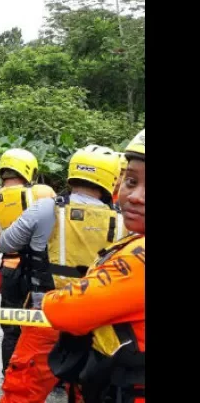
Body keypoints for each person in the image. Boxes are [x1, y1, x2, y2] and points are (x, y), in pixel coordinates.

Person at [0, 145, 123, 403]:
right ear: (111, 179)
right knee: (86, 390)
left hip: (46, 315)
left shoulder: (44, 208)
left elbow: (5, 245)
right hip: (96, 320)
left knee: (22, 390)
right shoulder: (124, 221)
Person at [43, 130, 145, 403]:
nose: (136, 196)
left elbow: (64, 310)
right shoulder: (125, 229)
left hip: (122, 385)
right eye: (131, 181)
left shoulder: (46, 207)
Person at [0, 148, 56, 377]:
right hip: (42, 271)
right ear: (28, 169)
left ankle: (9, 374)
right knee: (45, 326)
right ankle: (51, 377)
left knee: (11, 328)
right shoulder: (43, 192)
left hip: (10, 269)